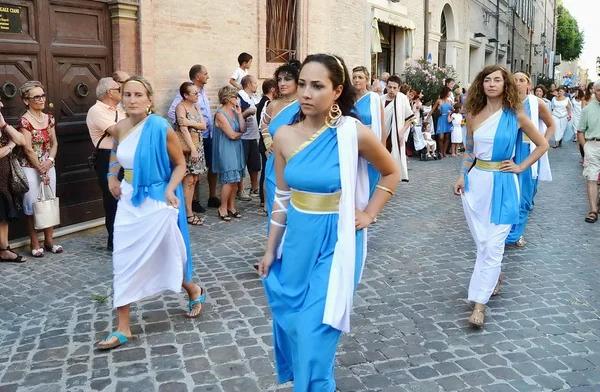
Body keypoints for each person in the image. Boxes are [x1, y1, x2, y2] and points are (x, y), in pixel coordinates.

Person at [258, 53, 400, 392]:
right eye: (303, 84)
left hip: (337, 240)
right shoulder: (284, 136)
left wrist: (368, 213)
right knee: (292, 321)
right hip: (297, 241)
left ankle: (318, 385)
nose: (306, 93)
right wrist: (269, 250)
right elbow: (282, 197)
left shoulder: (353, 133)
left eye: (317, 86)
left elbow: (391, 172)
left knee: (316, 326)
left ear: (337, 92)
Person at [97, 76, 205, 350]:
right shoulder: (119, 128)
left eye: (138, 95)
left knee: (166, 253)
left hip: (156, 199)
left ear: (149, 100)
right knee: (122, 260)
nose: (132, 99)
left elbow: (180, 164)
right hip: (129, 199)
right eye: (127, 94)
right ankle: (123, 328)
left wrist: (170, 190)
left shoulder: (159, 126)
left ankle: (192, 289)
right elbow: (115, 155)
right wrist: (112, 178)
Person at [453, 65, 548, 327]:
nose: (492, 84)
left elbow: (542, 144)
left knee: (493, 246)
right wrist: (462, 175)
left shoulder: (516, 114)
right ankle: (494, 277)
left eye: (497, 80)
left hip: (505, 185)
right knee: (482, 244)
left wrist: (520, 166)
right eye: (487, 80)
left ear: (505, 85)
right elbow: (469, 150)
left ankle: (479, 306)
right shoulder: (472, 113)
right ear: (481, 85)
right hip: (477, 185)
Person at [505, 72, 555, 247]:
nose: (517, 83)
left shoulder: (537, 103)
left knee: (524, 196)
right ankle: (505, 231)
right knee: (509, 194)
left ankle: (516, 234)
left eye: (521, 80)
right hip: (509, 150)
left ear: (529, 84)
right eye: (514, 81)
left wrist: (542, 144)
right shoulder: (505, 103)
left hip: (528, 151)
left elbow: (551, 125)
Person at [17, 81, 62, 258]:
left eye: (42, 95)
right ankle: (34, 242)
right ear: (26, 100)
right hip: (29, 167)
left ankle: (49, 240)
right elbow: (27, 148)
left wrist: (50, 160)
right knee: (32, 205)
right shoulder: (24, 121)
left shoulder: (49, 118)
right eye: (36, 96)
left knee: (48, 200)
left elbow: (54, 143)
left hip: (48, 165)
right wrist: (41, 169)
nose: (41, 99)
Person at [168, 65, 221, 212]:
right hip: (192, 139)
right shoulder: (185, 93)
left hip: (205, 136)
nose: (208, 76)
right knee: (191, 175)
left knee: (208, 168)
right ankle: (194, 201)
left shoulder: (201, 93)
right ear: (198, 76)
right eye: (205, 74)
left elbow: (203, 119)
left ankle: (211, 196)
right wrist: (185, 127)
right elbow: (173, 113)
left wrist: (198, 125)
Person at [86, 77, 126, 251]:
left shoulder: (120, 109)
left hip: (125, 155)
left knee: (127, 197)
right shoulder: (96, 111)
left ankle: (128, 237)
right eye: (119, 88)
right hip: (108, 157)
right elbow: (118, 132)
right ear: (110, 92)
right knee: (113, 199)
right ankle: (114, 241)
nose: (122, 90)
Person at [261, 60, 301, 221]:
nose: (282, 83)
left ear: (297, 81)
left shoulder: (304, 104)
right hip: (273, 163)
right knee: (274, 208)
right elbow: (264, 124)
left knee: (293, 210)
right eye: (279, 79)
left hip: (296, 162)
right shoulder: (273, 104)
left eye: (287, 79)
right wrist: (268, 143)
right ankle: (275, 245)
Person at [174, 82, 208, 226]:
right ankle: (187, 213)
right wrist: (193, 149)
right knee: (187, 180)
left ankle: (189, 210)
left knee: (194, 180)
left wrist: (189, 122)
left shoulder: (196, 106)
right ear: (185, 95)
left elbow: (203, 125)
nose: (197, 95)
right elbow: (183, 129)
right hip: (188, 147)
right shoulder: (180, 107)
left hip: (198, 144)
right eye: (194, 93)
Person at [212, 86, 247, 221]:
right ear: (228, 98)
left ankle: (232, 206)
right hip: (226, 148)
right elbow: (231, 135)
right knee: (229, 179)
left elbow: (243, 128)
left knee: (236, 179)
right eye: (234, 97)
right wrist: (239, 134)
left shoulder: (234, 111)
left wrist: (239, 114)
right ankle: (222, 207)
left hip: (236, 148)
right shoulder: (220, 114)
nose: (236, 99)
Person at [0, 100, 27, 263]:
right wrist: (10, 145)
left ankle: (4, 250)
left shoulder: (2, 124)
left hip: (4, 179)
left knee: (3, 215)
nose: (2, 105)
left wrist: (4, 125)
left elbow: (22, 140)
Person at [353, 65, 386, 196]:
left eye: (360, 77)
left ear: (366, 80)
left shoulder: (374, 98)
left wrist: (383, 148)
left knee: (371, 175)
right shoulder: (348, 100)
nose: (357, 80)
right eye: (354, 77)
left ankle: (368, 210)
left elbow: (382, 124)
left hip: (371, 143)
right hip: (353, 142)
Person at [381, 75, 413, 182]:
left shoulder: (402, 99)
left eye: (394, 88)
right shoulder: (380, 100)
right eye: (389, 87)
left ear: (399, 88)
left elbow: (410, 118)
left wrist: (402, 132)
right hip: (381, 135)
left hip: (395, 135)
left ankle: (391, 181)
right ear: (386, 86)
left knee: (393, 158)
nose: (391, 90)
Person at [577, 80, 600, 223]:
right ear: (594, 91)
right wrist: (585, 147)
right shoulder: (588, 109)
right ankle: (593, 210)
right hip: (593, 144)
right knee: (591, 177)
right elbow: (580, 131)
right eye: (599, 90)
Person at [237, 75, 261, 200]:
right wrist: (246, 113)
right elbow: (236, 115)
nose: (257, 85)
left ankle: (254, 188)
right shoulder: (239, 97)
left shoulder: (255, 97)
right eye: (255, 83)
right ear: (249, 85)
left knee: (255, 164)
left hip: (253, 136)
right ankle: (240, 190)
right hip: (243, 137)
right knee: (241, 164)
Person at [256, 79, 277, 213]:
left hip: (269, 142)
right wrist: (268, 142)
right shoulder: (268, 103)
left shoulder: (265, 102)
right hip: (267, 143)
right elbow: (263, 124)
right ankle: (264, 201)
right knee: (267, 171)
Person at [427, 87, 454, 157]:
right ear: (445, 92)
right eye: (448, 92)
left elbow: (454, 109)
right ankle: (441, 151)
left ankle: (444, 152)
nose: (449, 94)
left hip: (448, 118)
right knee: (441, 137)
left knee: (447, 136)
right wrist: (427, 119)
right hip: (441, 119)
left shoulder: (450, 101)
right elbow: (432, 110)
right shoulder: (439, 101)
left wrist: (451, 113)